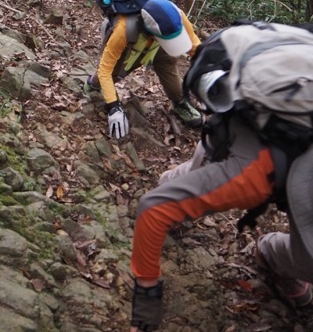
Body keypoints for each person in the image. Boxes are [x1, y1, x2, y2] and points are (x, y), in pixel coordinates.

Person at [128, 31, 313, 332]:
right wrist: (146, 302)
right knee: (187, 185)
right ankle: (268, 252)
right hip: (243, 138)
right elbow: (152, 210)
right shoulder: (253, 175)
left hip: (278, 126)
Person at [86, 0, 202, 138]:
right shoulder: (123, 29)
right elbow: (105, 69)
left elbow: (196, 48)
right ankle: (93, 83)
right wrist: (113, 106)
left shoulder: (176, 16)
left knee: (168, 61)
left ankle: (179, 102)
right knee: (112, 75)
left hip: (157, 44)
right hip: (132, 44)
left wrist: (211, 75)